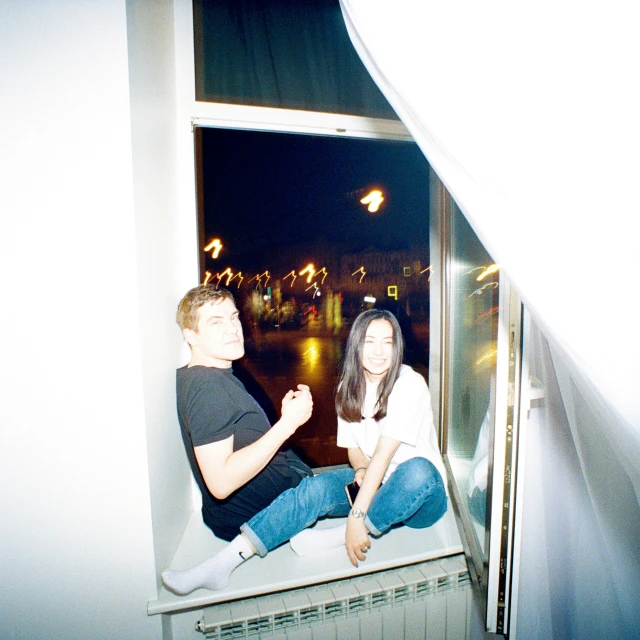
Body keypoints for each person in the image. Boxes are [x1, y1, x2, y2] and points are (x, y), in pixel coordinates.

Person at [163, 307, 447, 595]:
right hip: (377, 483)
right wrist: (360, 469)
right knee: (316, 488)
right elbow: (355, 451)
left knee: (417, 470)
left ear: (397, 347)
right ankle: (221, 564)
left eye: (388, 342)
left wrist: (356, 517)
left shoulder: (408, 383)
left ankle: (337, 536)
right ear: (356, 345)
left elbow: (385, 454)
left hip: (422, 498)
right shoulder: (349, 389)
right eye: (369, 341)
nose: (379, 351)